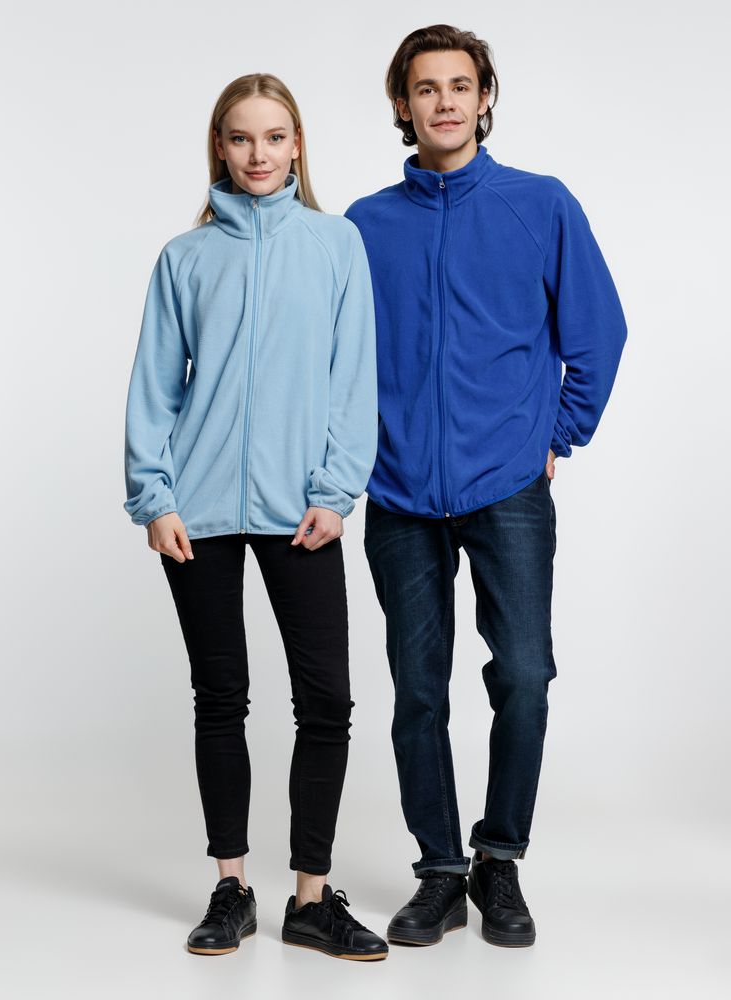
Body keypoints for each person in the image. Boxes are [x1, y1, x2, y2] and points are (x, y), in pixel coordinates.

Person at [345, 25, 627, 948]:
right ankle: (439, 873)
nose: (445, 102)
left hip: (507, 487)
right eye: (426, 88)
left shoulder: (539, 204)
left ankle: (499, 859)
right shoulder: (364, 225)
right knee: (418, 691)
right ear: (403, 104)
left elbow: (598, 332)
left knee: (526, 676)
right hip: (399, 495)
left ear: (484, 97)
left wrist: (558, 434)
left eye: (460, 85)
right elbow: (335, 359)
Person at [123, 73, 387, 961]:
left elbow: (353, 376)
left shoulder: (336, 243)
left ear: (298, 144)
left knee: (326, 700)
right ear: (220, 148)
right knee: (220, 697)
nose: (259, 153)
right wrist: (155, 498)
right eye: (241, 138)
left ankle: (310, 900)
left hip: (301, 509)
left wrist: (335, 491)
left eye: (275, 137)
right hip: (196, 511)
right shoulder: (185, 257)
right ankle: (231, 888)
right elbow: (155, 386)